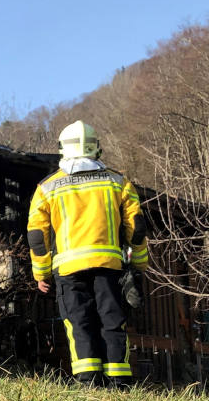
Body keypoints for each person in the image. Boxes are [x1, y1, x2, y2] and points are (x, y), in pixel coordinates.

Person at [27, 120, 149, 386]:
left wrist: (41, 272)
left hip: (68, 270)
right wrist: (139, 263)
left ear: (62, 149)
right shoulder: (119, 182)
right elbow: (136, 227)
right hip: (109, 265)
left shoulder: (47, 188)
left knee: (78, 324)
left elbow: (37, 235)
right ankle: (119, 382)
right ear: (97, 149)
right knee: (112, 321)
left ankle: (88, 382)